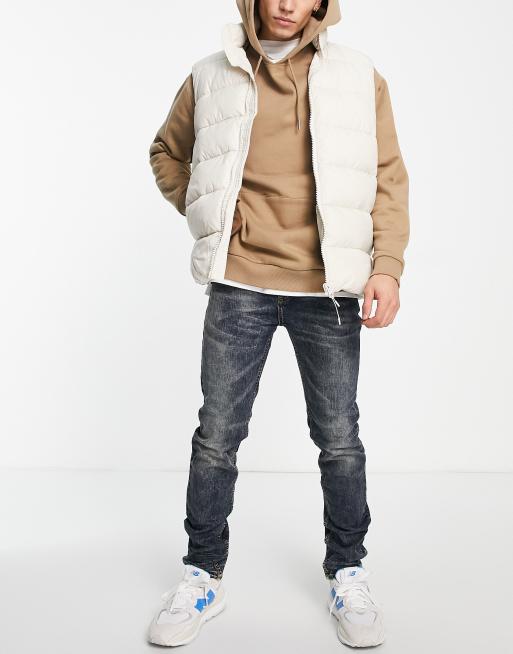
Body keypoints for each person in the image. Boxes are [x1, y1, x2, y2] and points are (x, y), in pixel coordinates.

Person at [146, 0, 409, 648]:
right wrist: (210, 212)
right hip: (239, 283)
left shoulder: (359, 76)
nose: (288, 3)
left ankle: (347, 571)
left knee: (339, 438)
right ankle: (201, 574)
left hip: (328, 289)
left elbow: (387, 178)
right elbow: (167, 152)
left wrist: (387, 266)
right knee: (217, 435)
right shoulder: (211, 74)